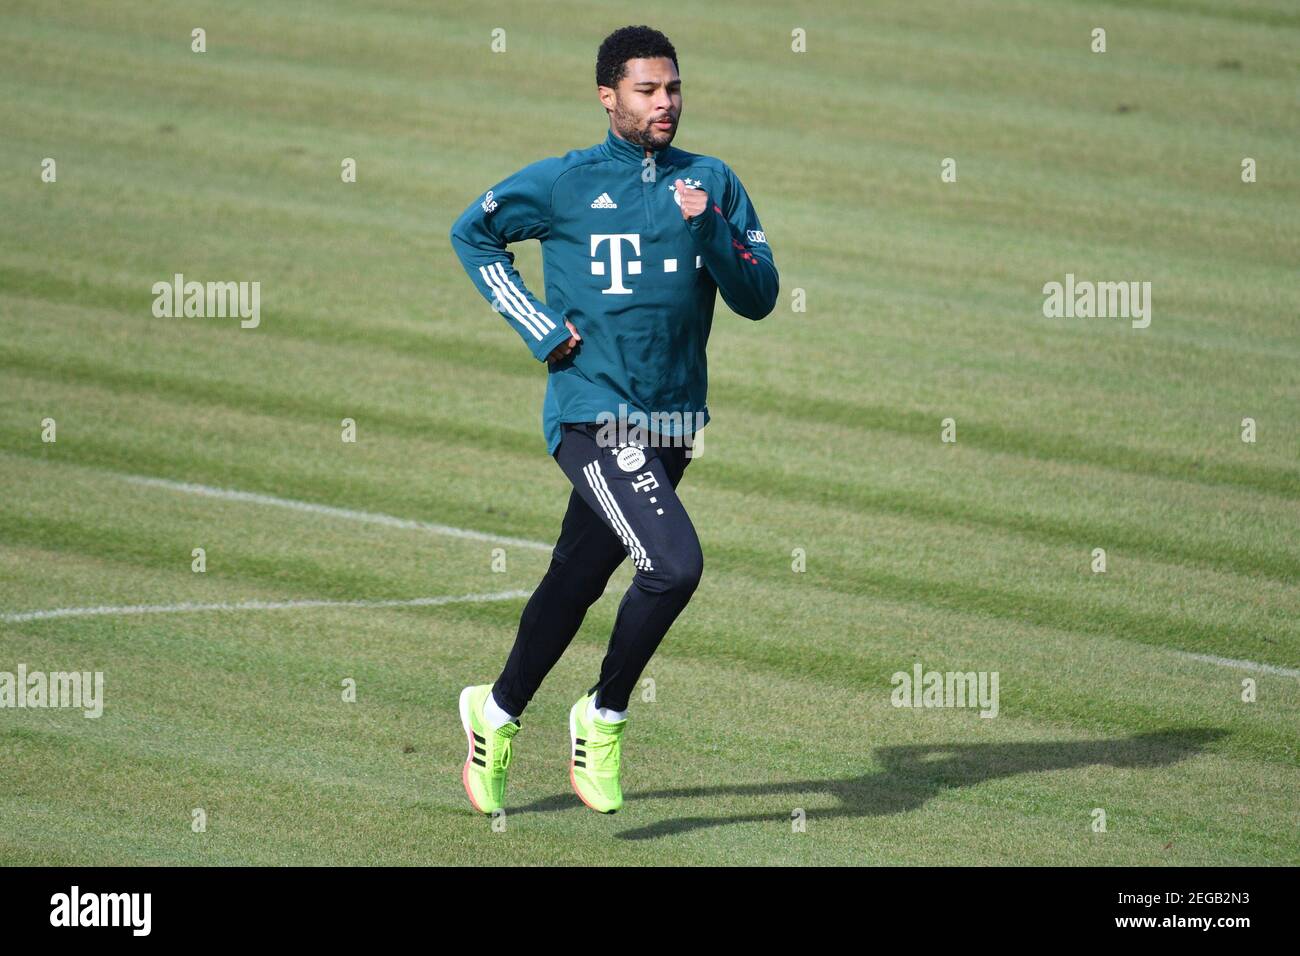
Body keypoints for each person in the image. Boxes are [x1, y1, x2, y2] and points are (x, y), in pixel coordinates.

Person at [448, 24, 778, 814]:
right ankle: (603, 715)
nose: (665, 103)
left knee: (577, 577)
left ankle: (492, 714)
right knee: (673, 566)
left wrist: (710, 229)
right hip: (593, 413)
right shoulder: (565, 183)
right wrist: (535, 324)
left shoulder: (713, 181)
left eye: (673, 88)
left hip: (674, 425)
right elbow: (474, 232)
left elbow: (758, 296)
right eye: (646, 90)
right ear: (608, 97)